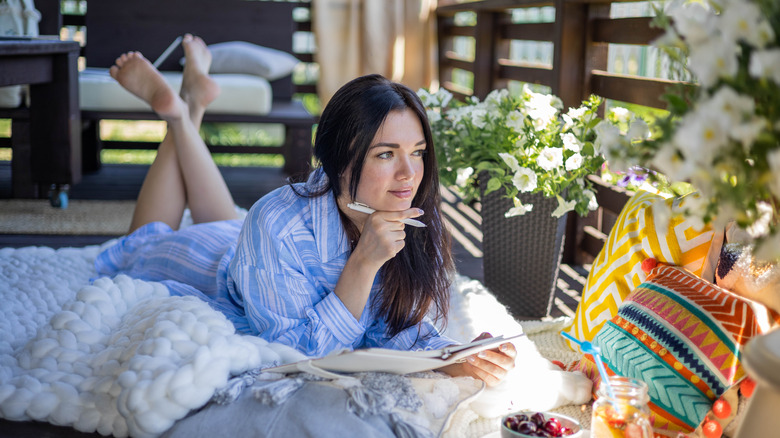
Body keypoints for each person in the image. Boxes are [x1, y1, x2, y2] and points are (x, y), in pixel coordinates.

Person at [95, 34, 516, 386]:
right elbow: (297, 357)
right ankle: (176, 112)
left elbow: (393, 326)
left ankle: (191, 104)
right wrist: (364, 262)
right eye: (386, 154)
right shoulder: (276, 224)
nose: (410, 174)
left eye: (419, 152)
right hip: (212, 264)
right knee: (144, 238)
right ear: (339, 160)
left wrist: (454, 357)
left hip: (245, 241)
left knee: (229, 220)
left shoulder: (409, 210)